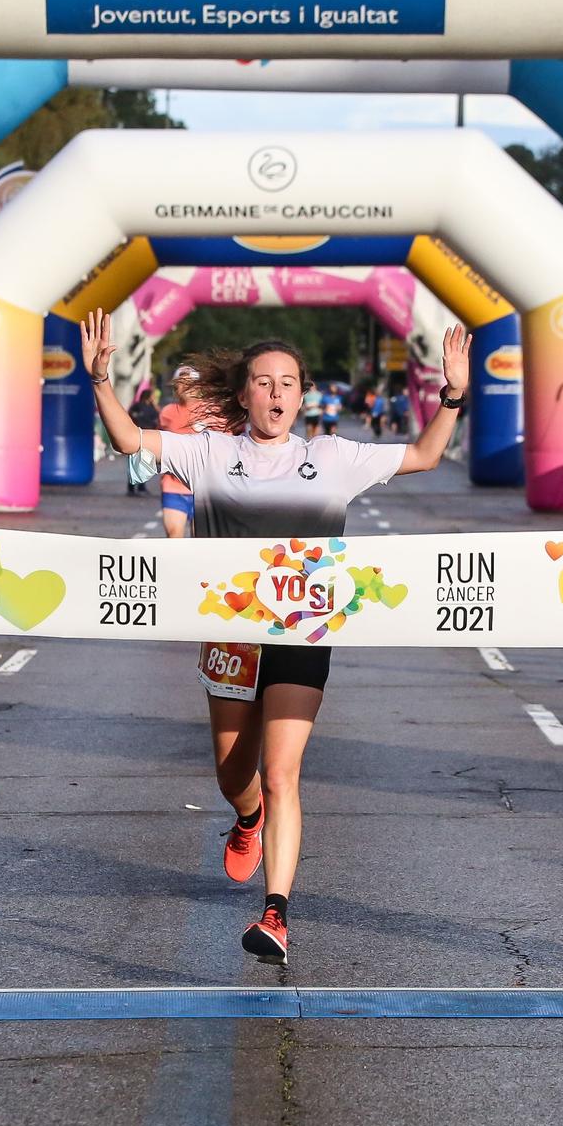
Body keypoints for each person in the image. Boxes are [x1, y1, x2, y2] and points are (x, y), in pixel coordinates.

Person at [81, 307, 473, 966]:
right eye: (263, 383)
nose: (276, 394)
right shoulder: (209, 451)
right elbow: (128, 443)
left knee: (281, 770)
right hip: (230, 634)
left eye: (288, 383)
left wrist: (453, 392)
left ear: (302, 393)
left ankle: (276, 914)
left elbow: (428, 454)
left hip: (301, 631)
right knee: (237, 776)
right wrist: (99, 382)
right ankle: (246, 819)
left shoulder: (333, 456)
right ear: (243, 395)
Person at [155, 367, 213, 539]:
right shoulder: (167, 413)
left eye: (192, 383)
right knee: (174, 538)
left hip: (205, 490)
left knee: (200, 541)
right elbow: (158, 441)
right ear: (176, 387)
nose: (187, 386)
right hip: (173, 486)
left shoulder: (212, 411)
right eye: (182, 383)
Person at [126, 387, 163, 495]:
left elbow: (158, 418)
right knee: (134, 462)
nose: (154, 397)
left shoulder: (152, 407)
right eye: (152, 395)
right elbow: (130, 415)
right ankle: (132, 488)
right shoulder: (137, 406)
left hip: (148, 437)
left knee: (145, 462)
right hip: (137, 435)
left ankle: (141, 487)